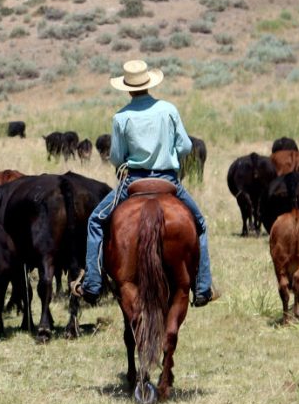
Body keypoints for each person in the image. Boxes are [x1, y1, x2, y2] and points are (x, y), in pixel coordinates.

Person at [74, 59, 215, 307]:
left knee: (96, 221)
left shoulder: (121, 117)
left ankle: (93, 285)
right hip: (168, 179)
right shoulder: (169, 109)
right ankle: (202, 287)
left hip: (134, 181)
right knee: (200, 224)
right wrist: (168, 154)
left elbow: (116, 157)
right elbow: (185, 146)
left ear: (127, 88)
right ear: (150, 84)